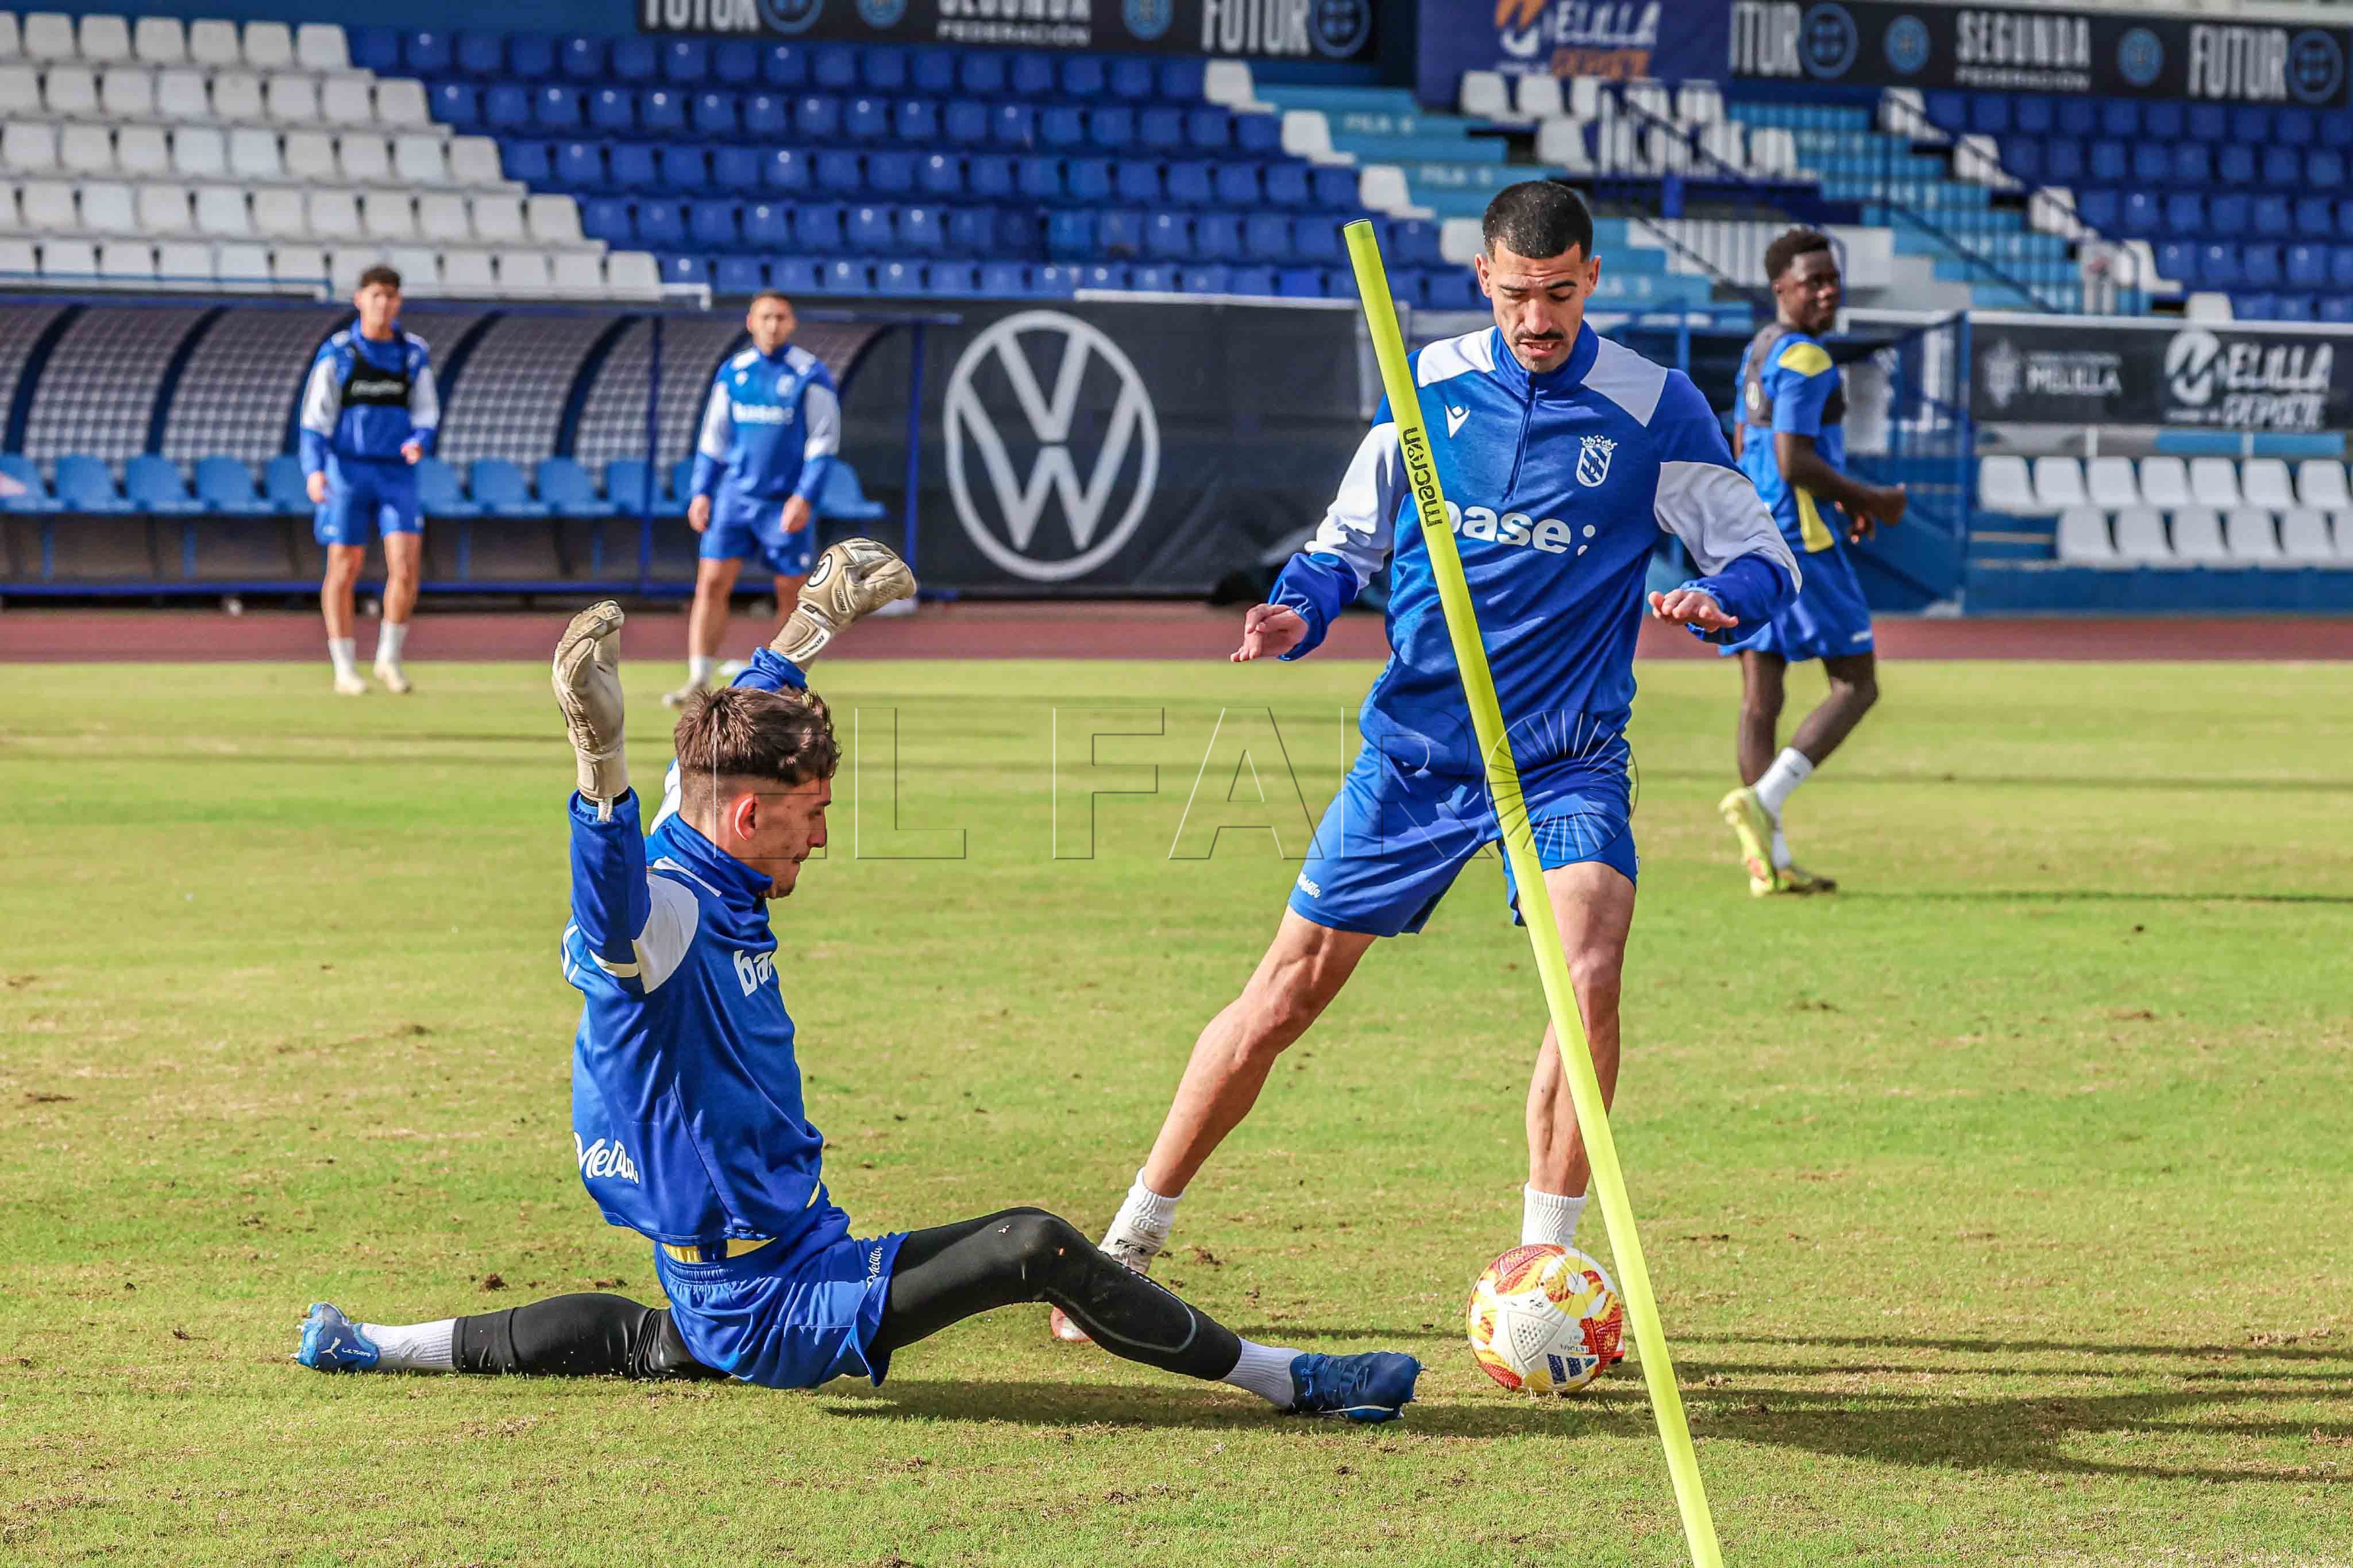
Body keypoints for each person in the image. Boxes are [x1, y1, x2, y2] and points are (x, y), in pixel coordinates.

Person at [295, 540, 1421, 1425]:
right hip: (767, 1296)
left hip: (779, 1256)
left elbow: (731, 720)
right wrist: (598, 769)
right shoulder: (668, 913)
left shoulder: (706, 844)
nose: (821, 839)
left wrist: (816, 619)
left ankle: (374, 1343)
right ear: (748, 814)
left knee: (651, 1344)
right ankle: (1286, 1381)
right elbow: (614, 924)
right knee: (1031, 1246)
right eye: (812, 815)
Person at [1050, 180, 1800, 1345]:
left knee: (1587, 965)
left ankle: (1545, 1269)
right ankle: (1126, 1249)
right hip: (1415, 757)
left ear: (1591, 279)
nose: (1536, 320)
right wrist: (1295, 613)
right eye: (1515, 297)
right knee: (1283, 996)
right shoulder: (1425, 393)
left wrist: (1720, 596)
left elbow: (1761, 552)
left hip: (1562, 764)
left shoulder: (1652, 407)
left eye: (1557, 295)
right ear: (1483, 283)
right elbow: (1338, 550)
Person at [1717, 229, 1907, 896]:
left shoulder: (1759, 350)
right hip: (1799, 543)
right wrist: (1875, 500)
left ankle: (1767, 862)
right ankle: (1764, 800)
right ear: (1781, 288)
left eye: (1833, 279)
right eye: (1813, 282)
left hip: (1749, 533)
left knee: (1759, 698)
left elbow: (1751, 443)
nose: (1828, 291)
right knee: (1857, 684)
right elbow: (1794, 461)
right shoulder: (1805, 358)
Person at [666, 291, 841, 709]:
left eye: (781, 317)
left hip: (783, 501)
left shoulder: (809, 374)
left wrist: (804, 497)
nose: (773, 325)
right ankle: (698, 677)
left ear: (792, 323)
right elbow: (714, 438)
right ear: (750, 322)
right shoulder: (735, 372)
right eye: (766, 317)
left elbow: (823, 441)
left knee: (791, 591)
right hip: (734, 497)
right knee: (711, 581)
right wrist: (702, 491)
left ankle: (785, 683)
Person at [300, 265, 437, 696]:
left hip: (396, 473)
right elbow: (315, 419)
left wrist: (419, 441)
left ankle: (388, 659)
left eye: (392, 296)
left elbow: (426, 413)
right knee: (344, 566)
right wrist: (315, 470)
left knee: (406, 564)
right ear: (360, 299)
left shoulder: (413, 354)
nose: (384, 304)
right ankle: (343, 666)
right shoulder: (338, 353)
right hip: (348, 470)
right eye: (376, 295)